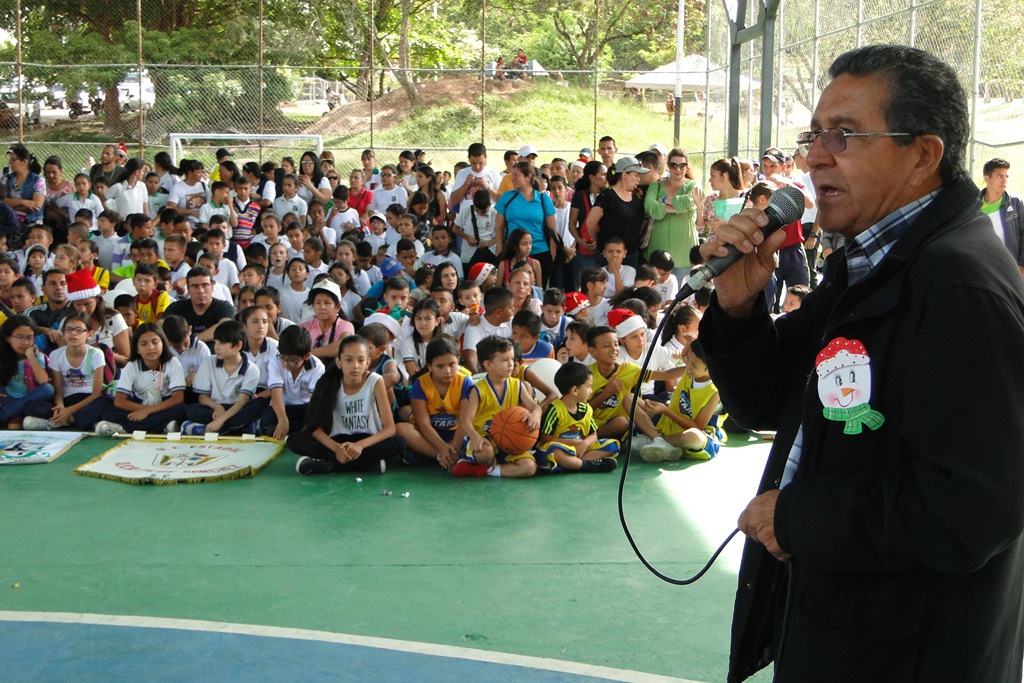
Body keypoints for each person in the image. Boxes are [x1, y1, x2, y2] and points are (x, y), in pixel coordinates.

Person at [699, 45, 1024, 682]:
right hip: (845, 630)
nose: (816, 156)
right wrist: (738, 308)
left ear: (923, 155)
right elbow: (769, 403)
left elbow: (974, 508)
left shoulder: (957, 287)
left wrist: (796, 518)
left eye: (844, 135)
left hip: (912, 653)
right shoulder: (869, 265)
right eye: (814, 135)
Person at [288, 334, 404, 475]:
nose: (355, 366)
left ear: (367, 362)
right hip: (336, 441)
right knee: (294, 440)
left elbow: (390, 429)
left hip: (366, 441)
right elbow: (314, 426)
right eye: (348, 360)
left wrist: (360, 445)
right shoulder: (327, 382)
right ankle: (365, 464)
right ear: (339, 362)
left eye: (360, 360)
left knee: (399, 442)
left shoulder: (375, 381)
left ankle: (328, 465)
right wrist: (336, 449)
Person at [452, 335, 543, 479]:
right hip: (483, 436)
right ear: (488, 365)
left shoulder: (517, 385)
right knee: (485, 453)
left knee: (529, 467)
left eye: (512, 359)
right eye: (505, 360)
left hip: (507, 439)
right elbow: (466, 421)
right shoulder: (478, 390)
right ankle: (477, 459)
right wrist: (475, 437)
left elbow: (535, 407)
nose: (511, 364)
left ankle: (484, 470)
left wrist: (535, 415)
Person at [638, 338, 724, 462]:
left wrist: (665, 410)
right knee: (630, 399)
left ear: (710, 368)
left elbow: (698, 426)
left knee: (693, 437)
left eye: (694, 365)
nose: (687, 365)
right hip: (667, 423)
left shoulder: (715, 391)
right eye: (688, 359)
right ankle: (660, 442)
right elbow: (674, 367)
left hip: (691, 433)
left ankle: (657, 440)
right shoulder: (692, 366)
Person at [95, 323, 188, 437]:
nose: (151, 347)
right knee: (107, 410)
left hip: (164, 405)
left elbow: (178, 398)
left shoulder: (173, 363)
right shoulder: (132, 366)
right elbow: (120, 401)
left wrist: (148, 411)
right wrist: (144, 409)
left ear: (163, 343)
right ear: (137, 349)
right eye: (144, 344)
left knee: (183, 409)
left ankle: (125, 428)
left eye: (155, 342)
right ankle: (163, 427)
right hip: (139, 405)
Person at [23, 311, 110, 431]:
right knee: (31, 406)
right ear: (63, 334)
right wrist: (60, 407)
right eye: (69, 330)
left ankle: (56, 422)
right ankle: (76, 420)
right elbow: (58, 391)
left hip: (88, 399)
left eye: (79, 330)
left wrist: (69, 411)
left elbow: (97, 393)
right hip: (67, 399)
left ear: (89, 334)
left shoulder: (96, 354)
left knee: (105, 403)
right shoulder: (56, 355)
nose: (73, 333)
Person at [396, 336, 474, 468]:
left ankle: (440, 456)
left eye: (452, 364)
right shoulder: (420, 384)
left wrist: (454, 446)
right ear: (430, 366)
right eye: (440, 366)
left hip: (456, 435)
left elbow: (464, 421)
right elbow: (423, 424)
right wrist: (442, 447)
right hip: (429, 437)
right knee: (401, 429)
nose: (447, 371)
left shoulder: (465, 382)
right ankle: (443, 457)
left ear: (458, 362)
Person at [179, 320, 262, 436]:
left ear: (238, 345)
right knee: (192, 410)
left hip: (237, 408)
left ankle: (210, 429)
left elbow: (241, 402)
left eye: (222, 343)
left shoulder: (252, 370)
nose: (216, 347)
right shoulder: (209, 362)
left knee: (260, 404)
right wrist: (217, 407)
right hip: (213, 408)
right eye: (215, 342)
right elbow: (203, 397)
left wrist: (220, 420)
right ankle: (243, 427)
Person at [535, 362, 618, 473]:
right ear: (575, 390)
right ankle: (587, 465)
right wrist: (574, 443)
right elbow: (545, 439)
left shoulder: (586, 408)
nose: (591, 391)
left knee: (612, 445)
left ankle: (572, 464)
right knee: (553, 450)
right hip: (562, 448)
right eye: (588, 387)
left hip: (580, 449)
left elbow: (594, 435)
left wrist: (584, 444)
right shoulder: (555, 409)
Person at [494, 162, 558, 287]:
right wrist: (500, 250)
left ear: (528, 177)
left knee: (537, 290)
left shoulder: (543, 199)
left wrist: (552, 255)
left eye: (516, 175)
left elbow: (552, 230)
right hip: (513, 252)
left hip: (540, 251)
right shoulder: (507, 197)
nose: (513, 179)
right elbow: (499, 227)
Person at [586, 157, 645, 271]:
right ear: (624, 175)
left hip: (631, 255)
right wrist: (599, 242)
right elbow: (590, 223)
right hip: (608, 256)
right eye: (636, 175)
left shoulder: (637, 197)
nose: (639, 179)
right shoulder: (607, 195)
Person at [0, 314, 53, 426]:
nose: (25, 342)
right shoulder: (2, 355)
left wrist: (31, 357)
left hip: (28, 398)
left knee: (48, 389)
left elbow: (43, 381)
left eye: (29, 338)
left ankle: (6, 415)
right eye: (19, 337)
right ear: (8, 338)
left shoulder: (37, 356)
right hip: (8, 398)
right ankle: (14, 415)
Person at [163, 267, 236, 344]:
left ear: (212, 286)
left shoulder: (224, 307)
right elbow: (160, 325)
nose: (201, 291)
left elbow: (226, 326)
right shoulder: (177, 307)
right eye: (195, 286)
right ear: (188, 289)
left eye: (205, 285)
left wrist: (193, 341)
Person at [980, 158, 1024, 276]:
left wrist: (1022, 264)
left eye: (1006, 177)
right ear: (987, 179)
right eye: (999, 176)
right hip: (985, 270)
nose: (1004, 180)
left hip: (1013, 270)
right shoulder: (974, 206)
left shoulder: (1015, 203)